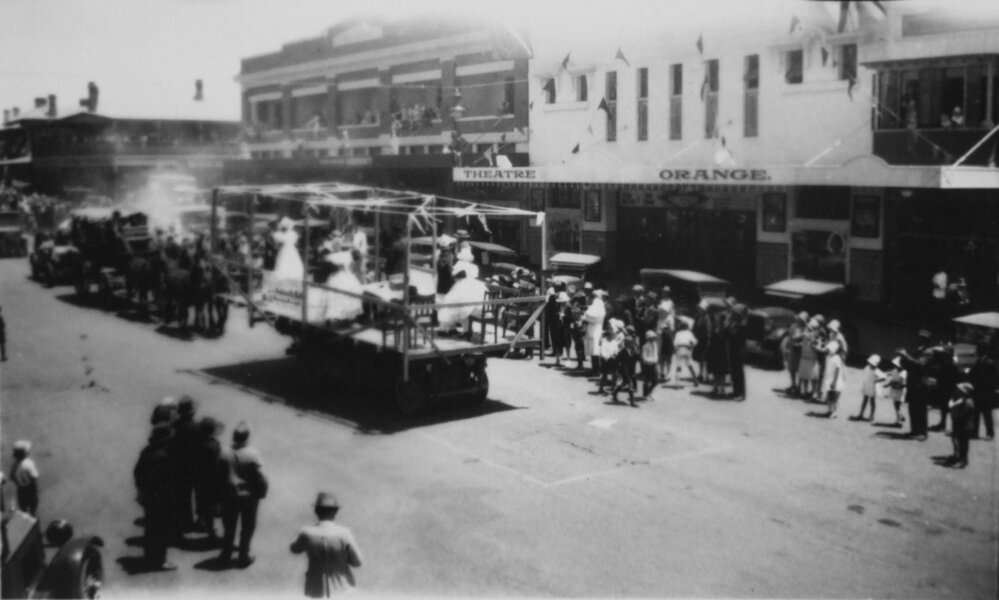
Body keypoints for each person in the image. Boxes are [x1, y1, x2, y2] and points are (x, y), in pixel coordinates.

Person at [291, 492, 364, 597]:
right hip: (343, 589)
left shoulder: (306, 533)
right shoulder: (344, 533)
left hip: (315, 588)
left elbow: (295, 549)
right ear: (336, 511)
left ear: (316, 511)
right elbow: (358, 562)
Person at [218, 422, 268, 568]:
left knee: (229, 526)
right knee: (248, 526)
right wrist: (261, 492)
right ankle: (243, 555)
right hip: (249, 496)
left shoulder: (223, 452)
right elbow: (261, 476)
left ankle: (225, 553)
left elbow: (218, 475)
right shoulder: (253, 454)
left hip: (229, 495)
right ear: (247, 438)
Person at [134, 423, 179, 571]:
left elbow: (138, 472)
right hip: (162, 498)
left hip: (149, 497)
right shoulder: (165, 456)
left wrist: (141, 490)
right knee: (162, 530)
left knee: (151, 528)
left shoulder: (147, 451)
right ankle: (160, 560)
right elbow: (170, 479)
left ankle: (149, 556)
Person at [437, 245, 488, 335]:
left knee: (452, 306)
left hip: (461, 287)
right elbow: (475, 275)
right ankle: (466, 330)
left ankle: (446, 329)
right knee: (466, 309)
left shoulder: (459, 264)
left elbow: (453, 273)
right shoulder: (473, 266)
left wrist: (457, 277)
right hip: (473, 287)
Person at [173, 396, 201, 532]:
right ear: (192, 413)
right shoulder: (197, 427)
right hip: (194, 466)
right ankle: (191, 521)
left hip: (178, 466)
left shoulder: (175, 426)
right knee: (193, 494)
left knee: (181, 495)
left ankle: (182, 521)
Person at [194, 416, 224, 540]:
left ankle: (200, 520)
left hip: (199, 477)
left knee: (200, 498)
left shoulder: (197, 442)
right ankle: (211, 532)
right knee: (210, 505)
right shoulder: (215, 445)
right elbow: (218, 464)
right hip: (211, 480)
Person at [322, 251, 364, 323]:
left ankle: (343, 317)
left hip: (343, 277)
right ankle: (340, 317)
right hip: (341, 277)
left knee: (342, 297)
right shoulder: (345, 257)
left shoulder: (345, 258)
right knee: (338, 297)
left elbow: (328, 259)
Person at [968, 344, 996, 440]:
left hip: (986, 392)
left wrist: (992, 391)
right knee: (975, 413)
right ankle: (974, 432)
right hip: (977, 391)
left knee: (986, 414)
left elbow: (995, 379)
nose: (976, 352)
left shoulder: (990, 363)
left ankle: (990, 433)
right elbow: (973, 375)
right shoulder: (978, 361)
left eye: (978, 350)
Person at [947, 383, 975, 468]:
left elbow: (963, 414)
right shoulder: (960, 399)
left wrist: (954, 410)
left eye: (959, 390)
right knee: (956, 440)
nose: (956, 391)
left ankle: (963, 460)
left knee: (963, 443)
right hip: (958, 423)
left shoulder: (968, 401)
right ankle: (957, 456)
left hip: (964, 425)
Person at [613, 325, 640, 406]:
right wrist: (617, 370)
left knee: (624, 384)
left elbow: (638, 357)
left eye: (632, 343)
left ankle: (615, 392)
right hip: (624, 371)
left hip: (631, 370)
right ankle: (632, 402)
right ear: (626, 344)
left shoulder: (633, 351)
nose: (632, 344)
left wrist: (636, 350)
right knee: (630, 385)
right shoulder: (623, 352)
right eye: (630, 343)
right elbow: (616, 360)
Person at [11, 440, 39, 516]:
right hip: (30, 488)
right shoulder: (29, 463)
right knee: (33, 503)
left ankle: (25, 517)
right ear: (25, 453)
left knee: (23, 504)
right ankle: (32, 515)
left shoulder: (14, 464)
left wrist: (18, 482)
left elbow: (12, 477)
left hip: (21, 488)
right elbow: (34, 476)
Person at [727, 305, 748, 401]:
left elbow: (736, 335)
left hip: (738, 351)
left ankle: (741, 394)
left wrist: (730, 327)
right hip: (732, 349)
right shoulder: (733, 323)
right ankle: (735, 391)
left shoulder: (741, 325)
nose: (732, 314)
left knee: (739, 373)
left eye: (734, 313)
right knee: (733, 372)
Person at [583, 291, 607, 376]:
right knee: (592, 351)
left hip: (595, 331)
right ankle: (594, 369)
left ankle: (596, 370)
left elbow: (590, 316)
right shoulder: (598, 308)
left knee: (595, 351)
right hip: (592, 330)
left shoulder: (599, 309)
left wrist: (586, 317)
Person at [671, 318, 699, 387]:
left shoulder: (678, 333)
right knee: (690, 365)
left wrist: (676, 349)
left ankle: (677, 382)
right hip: (687, 348)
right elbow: (695, 342)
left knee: (678, 366)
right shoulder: (689, 333)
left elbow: (675, 343)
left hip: (680, 348)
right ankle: (695, 380)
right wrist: (691, 346)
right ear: (687, 327)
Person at [855, 355, 884, 421]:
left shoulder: (877, 371)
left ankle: (871, 416)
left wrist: (877, 381)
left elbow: (883, 378)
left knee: (872, 401)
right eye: (870, 363)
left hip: (873, 387)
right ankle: (861, 414)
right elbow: (866, 373)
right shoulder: (867, 367)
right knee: (864, 400)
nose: (871, 365)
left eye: (872, 364)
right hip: (867, 385)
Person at [798, 319, 821, 400]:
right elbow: (803, 336)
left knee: (813, 377)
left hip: (812, 359)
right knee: (804, 376)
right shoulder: (805, 334)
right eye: (809, 327)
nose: (809, 329)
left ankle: (814, 392)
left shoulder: (816, 336)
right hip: (804, 357)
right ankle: (805, 391)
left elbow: (817, 346)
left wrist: (813, 338)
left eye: (811, 328)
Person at [822, 341, 846, 418]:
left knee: (834, 397)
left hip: (835, 380)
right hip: (829, 379)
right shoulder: (829, 357)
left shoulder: (837, 358)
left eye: (829, 349)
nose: (828, 351)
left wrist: (834, 382)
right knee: (829, 396)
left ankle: (834, 412)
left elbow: (837, 370)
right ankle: (830, 411)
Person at [884, 356, 908, 426]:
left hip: (900, 391)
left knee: (898, 405)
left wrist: (898, 385)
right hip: (894, 390)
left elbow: (903, 383)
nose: (896, 366)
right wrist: (888, 384)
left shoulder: (904, 373)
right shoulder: (894, 371)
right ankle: (898, 419)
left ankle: (900, 418)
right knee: (896, 405)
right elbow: (892, 379)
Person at [640, 330, 660, 400]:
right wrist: (652, 360)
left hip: (653, 365)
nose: (653, 339)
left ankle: (649, 393)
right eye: (652, 337)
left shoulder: (655, 344)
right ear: (648, 338)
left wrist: (655, 361)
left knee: (655, 381)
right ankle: (645, 395)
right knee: (646, 381)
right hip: (646, 366)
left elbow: (656, 354)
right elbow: (644, 357)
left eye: (654, 337)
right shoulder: (645, 346)